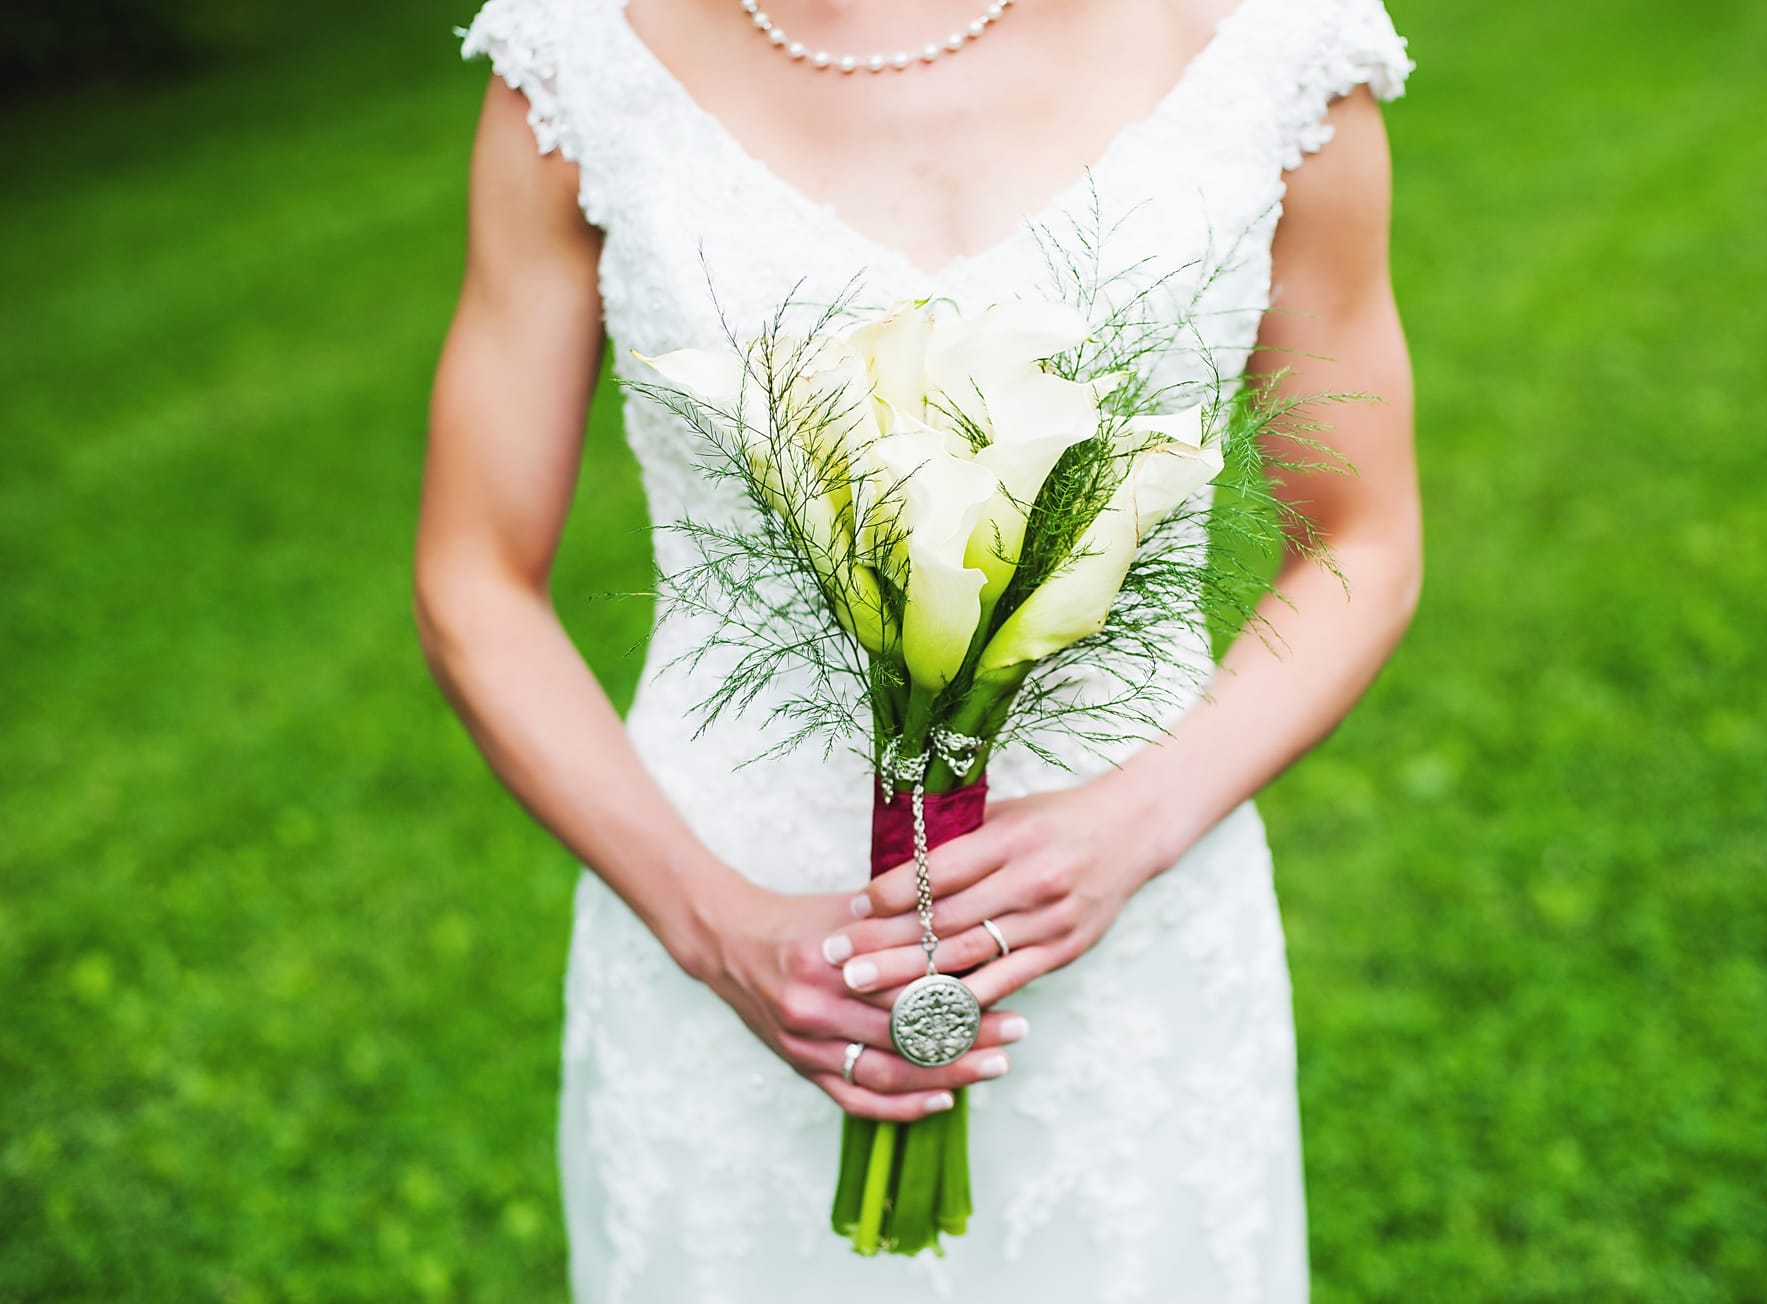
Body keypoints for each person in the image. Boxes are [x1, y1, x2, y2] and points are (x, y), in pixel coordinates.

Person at [417, 0, 1420, 1297]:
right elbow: (472, 576)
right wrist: (714, 926)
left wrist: (1139, 823)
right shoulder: (581, 57)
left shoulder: (1270, 41)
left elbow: (1362, 533)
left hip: (1132, 934)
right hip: (724, 904)